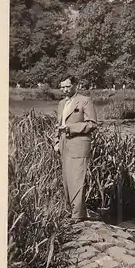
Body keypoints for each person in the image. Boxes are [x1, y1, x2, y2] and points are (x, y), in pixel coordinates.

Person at [54, 76, 98, 223]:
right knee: (67, 179)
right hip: (64, 144)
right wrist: (56, 141)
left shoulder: (85, 100)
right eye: (62, 87)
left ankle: (77, 215)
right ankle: (77, 212)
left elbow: (92, 124)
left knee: (77, 179)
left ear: (75, 86)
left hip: (79, 144)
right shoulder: (61, 103)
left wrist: (70, 128)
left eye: (67, 86)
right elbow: (58, 124)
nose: (64, 90)